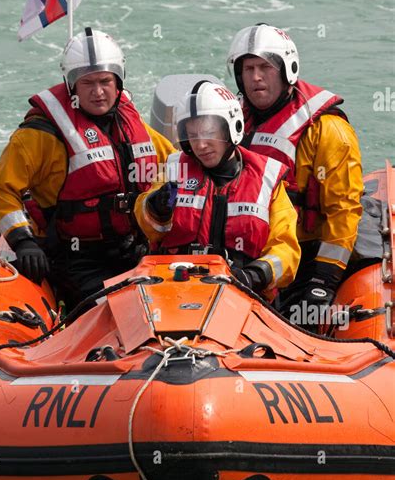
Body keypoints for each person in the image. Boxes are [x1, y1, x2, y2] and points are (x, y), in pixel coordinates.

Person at [0, 27, 175, 310]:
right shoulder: (40, 135)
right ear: (71, 84)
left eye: (105, 81)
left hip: (135, 249)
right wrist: (22, 240)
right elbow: (1, 189)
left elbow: (173, 163)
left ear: (119, 81)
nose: (98, 92)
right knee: (115, 313)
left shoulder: (131, 123)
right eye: (87, 83)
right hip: (77, 258)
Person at [227, 23, 364, 321]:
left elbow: (343, 212)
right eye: (248, 69)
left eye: (265, 67)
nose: (256, 77)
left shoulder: (328, 131)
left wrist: (322, 281)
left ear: (287, 69)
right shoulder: (232, 121)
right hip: (247, 251)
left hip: (303, 257)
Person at [134, 81, 300, 298]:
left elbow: (286, 250)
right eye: (192, 135)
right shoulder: (173, 170)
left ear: (233, 128)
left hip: (244, 294)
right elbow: (149, 226)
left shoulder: (267, 178)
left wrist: (254, 275)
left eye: (209, 133)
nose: (201, 145)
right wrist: (156, 208)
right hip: (172, 291)